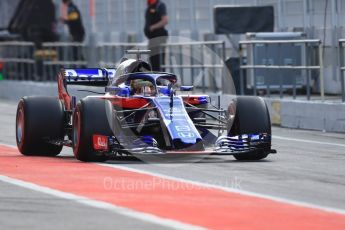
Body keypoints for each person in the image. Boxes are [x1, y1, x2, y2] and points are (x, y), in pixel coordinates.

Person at [144, 0, 169, 72]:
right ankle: (156, 79)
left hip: (159, 38)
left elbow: (165, 20)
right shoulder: (150, 5)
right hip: (152, 38)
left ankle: (160, 80)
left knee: (159, 61)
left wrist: (153, 27)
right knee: (153, 61)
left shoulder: (160, 5)